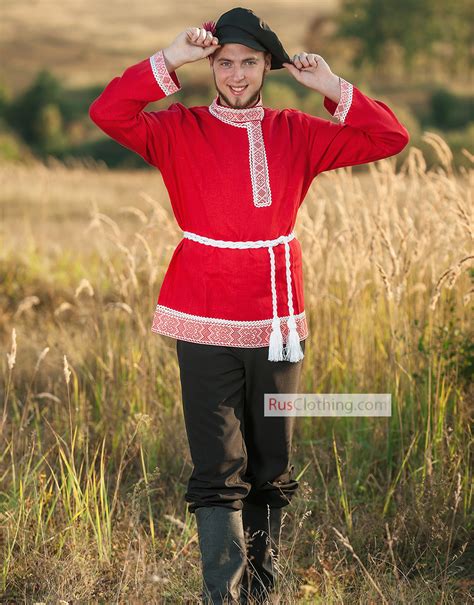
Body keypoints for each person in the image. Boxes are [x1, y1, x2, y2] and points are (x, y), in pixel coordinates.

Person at [89, 6, 410, 603]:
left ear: (268, 66)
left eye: (250, 62)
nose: (236, 75)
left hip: (278, 319)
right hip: (203, 312)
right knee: (217, 467)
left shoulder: (297, 131)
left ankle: (263, 593)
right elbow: (108, 111)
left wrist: (331, 87)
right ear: (210, 66)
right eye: (225, 62)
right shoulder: (176, 130)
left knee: (272, 464)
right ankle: (223, 596)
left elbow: (390, 136)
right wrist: (170, 58)